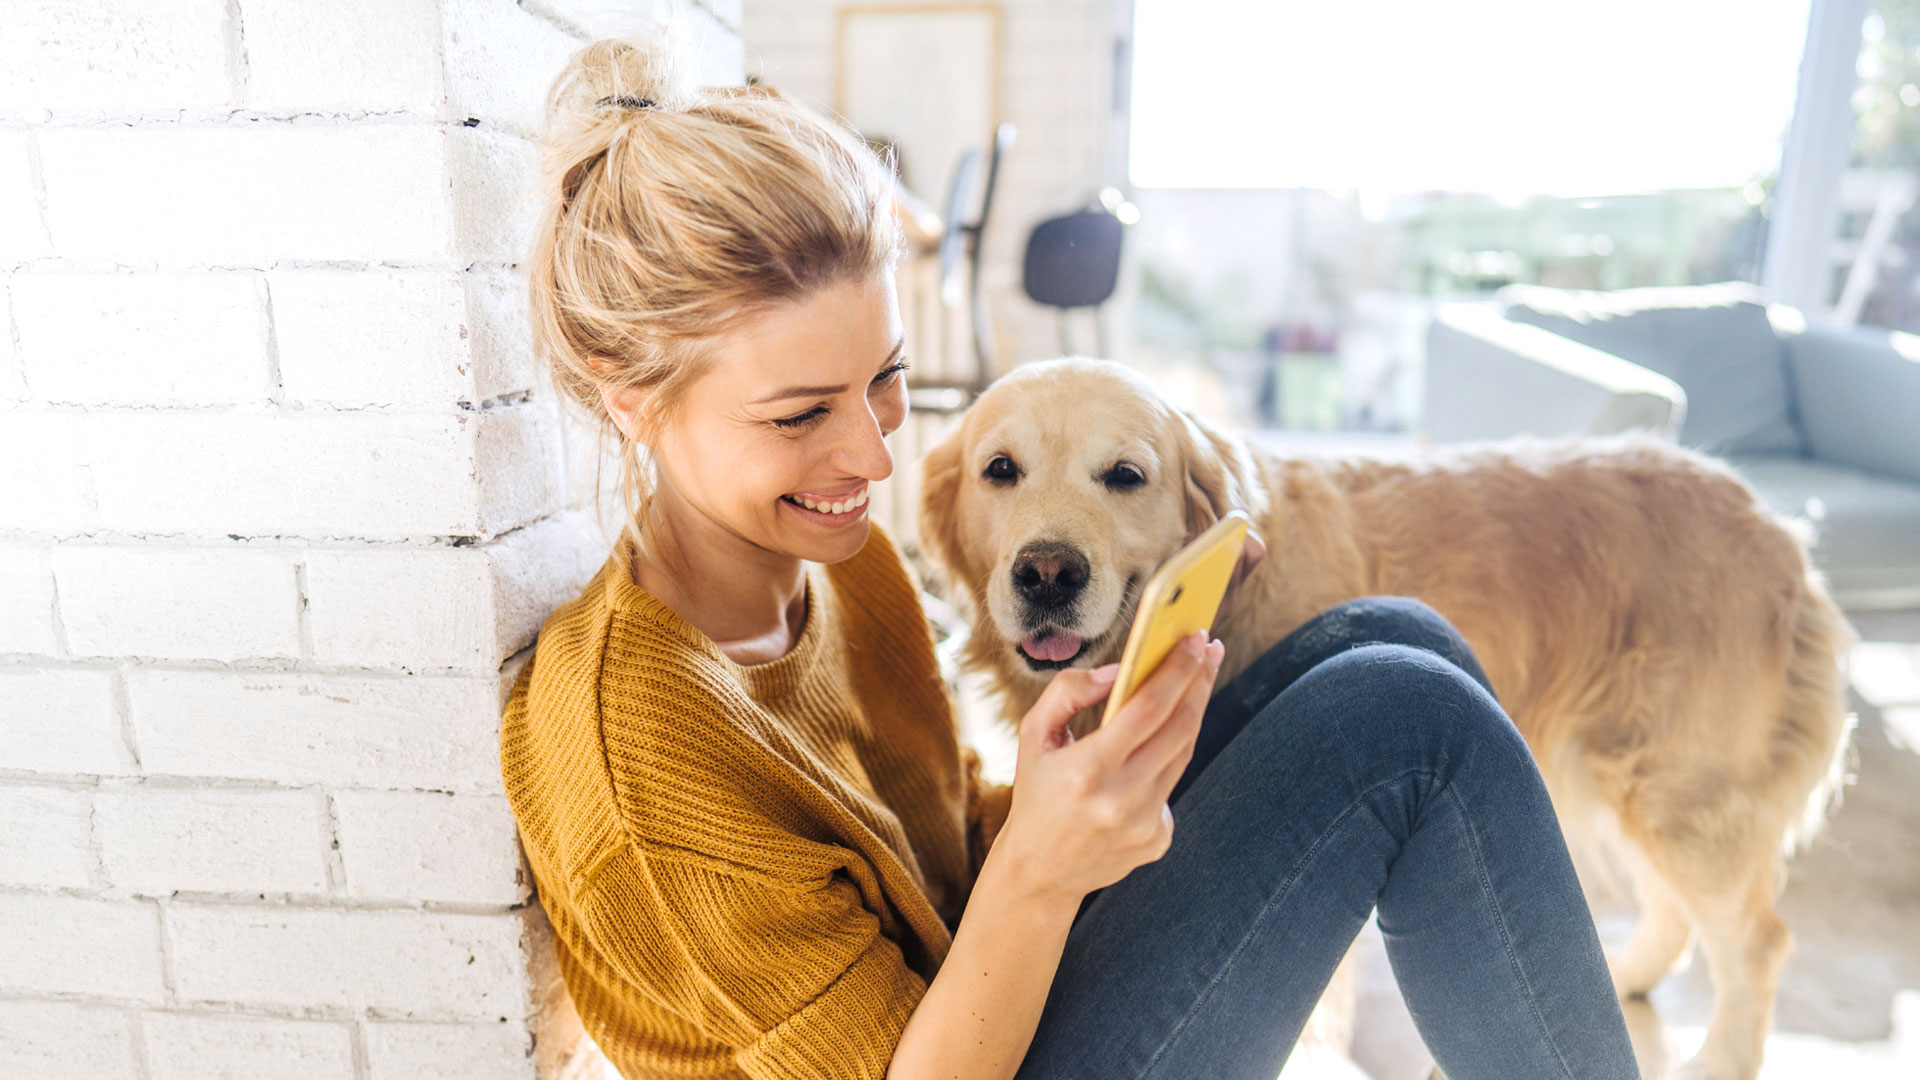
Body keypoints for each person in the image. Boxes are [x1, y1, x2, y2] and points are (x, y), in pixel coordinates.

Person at [499, 24, 1642, 1080]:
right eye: (802, 415)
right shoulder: (644, 760)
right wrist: (1045, 860)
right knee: (1402, 719)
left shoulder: (829, 563)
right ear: (635, 403)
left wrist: (1071, 787)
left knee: (1388, 642)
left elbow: (929, 840)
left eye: (886, 381)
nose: (875, 457)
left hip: (992, 991)